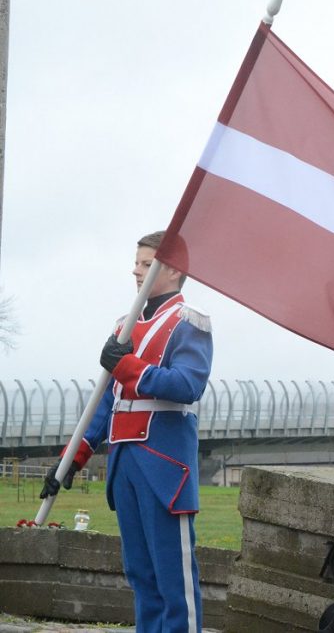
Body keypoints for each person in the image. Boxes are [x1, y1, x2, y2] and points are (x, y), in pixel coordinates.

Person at [41, 230, 213, 633]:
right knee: (141, 577)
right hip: (124, 465)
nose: (135, 270)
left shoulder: (190, 322)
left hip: (165, 465)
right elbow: (105, 403)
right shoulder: (125, 325)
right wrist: (72, 459)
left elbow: (189, 385)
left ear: (171, 269)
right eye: (136, 262)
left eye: (144, 263)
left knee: (175, 580)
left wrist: (129, 367)